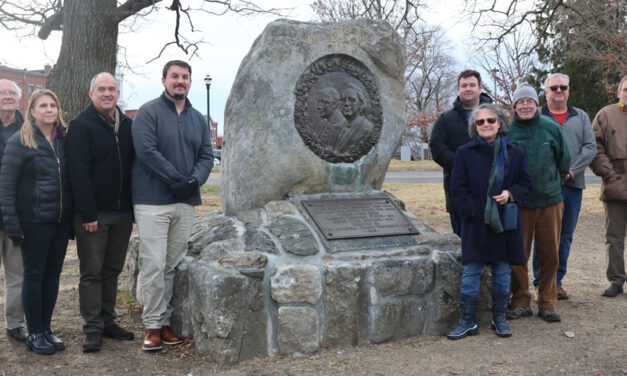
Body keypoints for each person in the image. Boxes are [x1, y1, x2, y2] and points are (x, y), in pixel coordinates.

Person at [132, 60, 214, 351]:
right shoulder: (148, 112)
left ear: (190, 82)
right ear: (164, 80)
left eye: (185, 77)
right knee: (153, 264)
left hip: (185, 201)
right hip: (152, 201)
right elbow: (146, 151)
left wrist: (193, 181)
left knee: (170, 265)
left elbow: (206, 155)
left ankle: (164, 322)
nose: (180, 81)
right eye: (175, 76)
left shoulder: (198, 118)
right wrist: (177, 178)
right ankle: (152, 327)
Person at [447, 103, 532, 340]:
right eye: (480, 122)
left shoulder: (515, 152)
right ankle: (467, 321)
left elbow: (527, 185)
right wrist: (474, 212)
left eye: (490, 121)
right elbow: (458, 189)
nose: (486, 125)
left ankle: (499, 318)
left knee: (503, 272)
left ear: (500, 123)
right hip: (475, 223)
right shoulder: (465, 152)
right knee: (471, 271)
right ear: (474, 127)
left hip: (505, 223)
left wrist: (510, 194)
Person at [0, 89, 72, 355]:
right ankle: (35, 332)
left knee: (52, 275)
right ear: (32, 111)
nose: (49, 110)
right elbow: (6, 187)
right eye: (43, 105)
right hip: (33, 221)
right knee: (34, 273)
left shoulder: (63, 139)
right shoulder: (20, 141)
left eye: (53, 105)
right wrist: (12, 225)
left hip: (60, 221)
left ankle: (47, 328)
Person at [66, 72, 135, 353]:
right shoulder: (81, 126)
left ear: (118, 94)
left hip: (122, 213)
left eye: (112, 89)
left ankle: (108, 321)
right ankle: (92, 328)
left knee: (112, 270)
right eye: (102, 89)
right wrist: (88, 213)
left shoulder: (128, 125)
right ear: (91, 94)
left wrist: (132, 212)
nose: (107, 93)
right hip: (94, 215)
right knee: (91, 272)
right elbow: (77, 173)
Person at [506, 83, 570, 323]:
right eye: (520, 102)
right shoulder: (508, 132)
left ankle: (547, 302)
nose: (525, 105)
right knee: (518, 254)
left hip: (550, 202)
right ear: (514, 106)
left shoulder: (550, 128)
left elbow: (564, 162)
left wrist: (552, 184)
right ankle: (521, 300)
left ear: (536, 104)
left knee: (550, 254)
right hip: (519, 205)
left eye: (529, 101)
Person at [532, 73, 596, 300]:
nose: (559, 91)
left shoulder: (581, 117)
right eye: (554, 87)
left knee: (565, 235)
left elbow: (590, 147)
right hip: (544, 187)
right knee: (543, 235)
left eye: (563, 87)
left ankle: (556, 282)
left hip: (572, 186)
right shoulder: (537, 116)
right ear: (546, 91)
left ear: (568, 90)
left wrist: (571, 170)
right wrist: (552, 173)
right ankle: (541, 281)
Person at [429, 70, 493, 236]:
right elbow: (437, 147)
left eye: (472, 85)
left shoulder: (494, 117)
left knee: (491, 245)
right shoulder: (446, 119)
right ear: (458, 89)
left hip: (492, 192)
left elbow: (506, 146)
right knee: (463, 245)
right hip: (458, 193)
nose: (468, 89)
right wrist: (464, 165)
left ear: (480, 88)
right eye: (464, 85)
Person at [590, 75, 627, 298]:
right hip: (615, 185)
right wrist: (610, 175)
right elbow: (595, 146)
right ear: (619, 91)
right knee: (614, 237)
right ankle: (616, 279)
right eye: (626, 89)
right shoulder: (605, 114)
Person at [0, 79, 27, 343]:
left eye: (11, 93)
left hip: (16, 216)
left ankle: (15, 324)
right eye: (2, 93)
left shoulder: (29, 130)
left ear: (18, 99)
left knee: (17, 275)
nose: (7, 97)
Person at [333, 83, 373, 154]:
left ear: (360, 104)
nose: (346, 104)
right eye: (343, 100)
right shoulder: (340, 126)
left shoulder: (367, 128)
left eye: (351, 100)